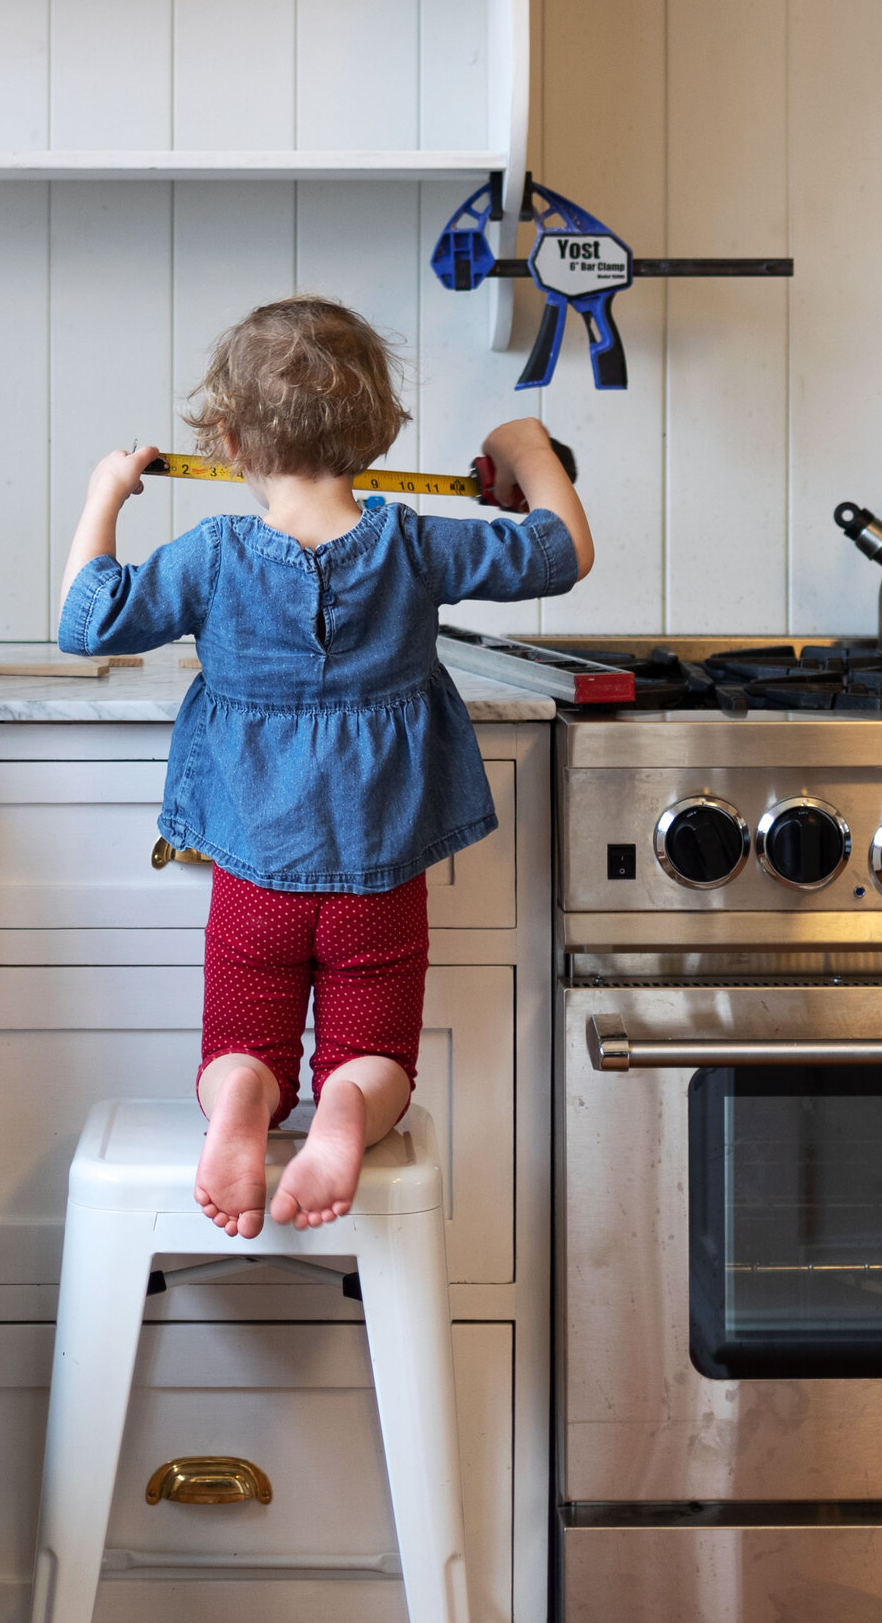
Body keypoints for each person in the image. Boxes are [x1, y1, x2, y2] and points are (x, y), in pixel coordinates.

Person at [59, 295, 593, 1237]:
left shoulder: (213, 556)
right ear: (381, 432)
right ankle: (345, 1108)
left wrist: (107, 490)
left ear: (225, 441)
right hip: (379, 874)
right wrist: (526, 447)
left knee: (240, 1037)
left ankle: (241, 1102)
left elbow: (85, 620)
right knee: (374, 1044)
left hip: (253, 874)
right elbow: (561, 552)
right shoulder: (417, 544)